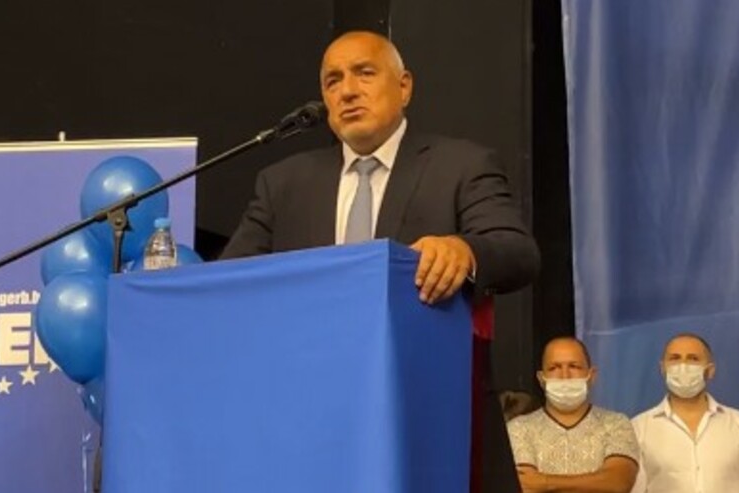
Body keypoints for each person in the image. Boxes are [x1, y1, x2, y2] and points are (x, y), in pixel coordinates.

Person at [220, 31, 540, 493]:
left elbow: (518, 252)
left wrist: (465, 249)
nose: (347, 91)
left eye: (364, 73)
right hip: (312, 422)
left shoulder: (460, 165)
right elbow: (230, 282)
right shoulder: (284, 184)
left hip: (428, 412)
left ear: (404, 86)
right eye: (333, 81)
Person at [630, 333, 739, 493]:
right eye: (675, 358)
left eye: (693, 359)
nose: (683, 366)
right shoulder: (639, 429)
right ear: (663, 368)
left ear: (710, 370)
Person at [507, 337, 639, 493]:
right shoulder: (519, 428)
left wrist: (544, 482)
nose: (565, 375)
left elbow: (617, 483)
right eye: (554, 368)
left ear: (592, 375)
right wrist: (594, 483)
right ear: (541, 379)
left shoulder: (616, 424)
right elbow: (526, 485)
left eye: (574, 366)